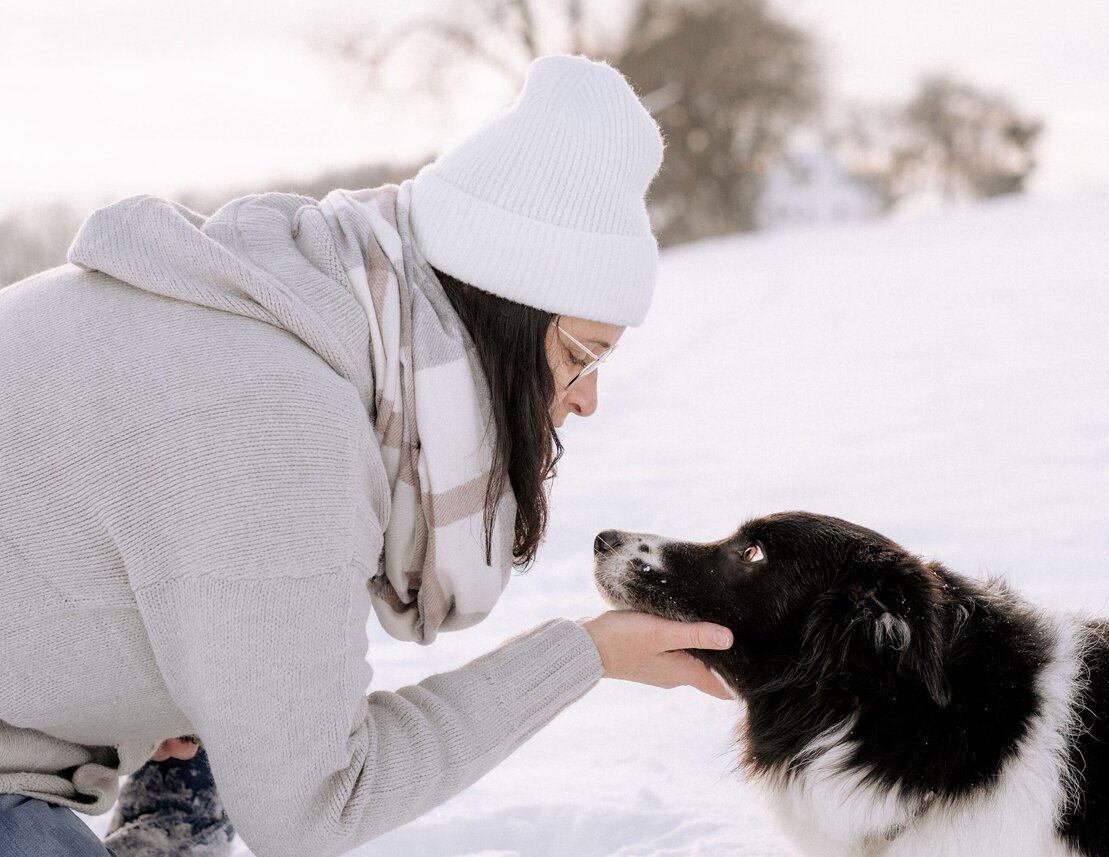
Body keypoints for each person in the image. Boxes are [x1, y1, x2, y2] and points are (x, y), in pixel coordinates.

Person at [0, 55, 734, 857]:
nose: (587, 398)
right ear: (506, 319)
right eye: (581, 356)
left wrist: (172, 700)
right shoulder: (277, 419)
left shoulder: (289, 320)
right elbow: (316, 806)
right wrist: (586, 654)